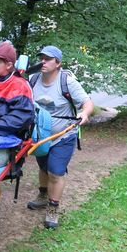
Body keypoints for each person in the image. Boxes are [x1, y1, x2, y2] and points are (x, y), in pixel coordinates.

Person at [27, 45, 93, 229]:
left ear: (58, 63)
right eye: (41, 57)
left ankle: (53, 208)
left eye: (48, 59)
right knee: (43, 168)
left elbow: (87, 103)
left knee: (55, 171)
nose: (43, 61)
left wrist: (84, 114)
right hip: (41, 135)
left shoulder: (67, 81)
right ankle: (42, 195)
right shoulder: (33, 79)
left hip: (64, 135)